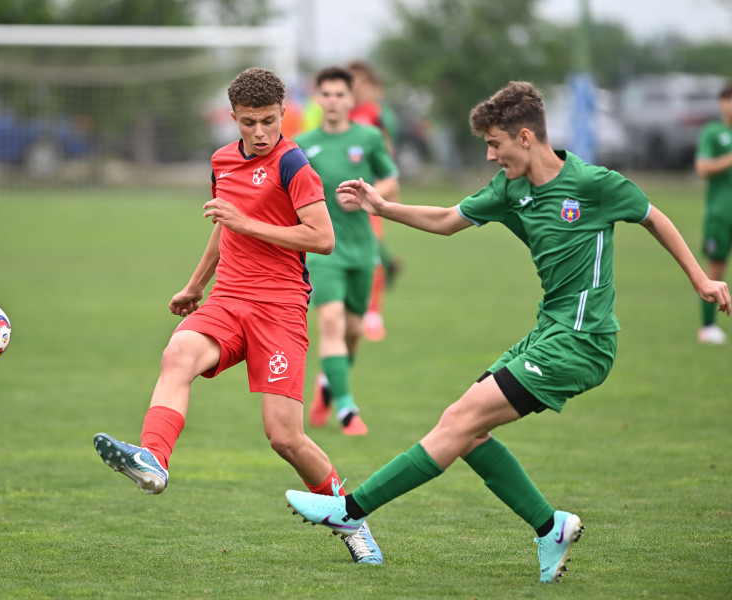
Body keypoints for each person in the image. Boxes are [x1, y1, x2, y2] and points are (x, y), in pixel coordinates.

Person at [285, 81, 731, 582]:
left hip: (583, 342)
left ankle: (351, 508)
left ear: (525, 136)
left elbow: (654, 218)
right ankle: (550, 526)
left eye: (495, 144)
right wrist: (382, 207)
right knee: (469, 433)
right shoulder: (510, 190)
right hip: (548, 332)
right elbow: (448, 219)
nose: (491, 156)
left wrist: (701, 279)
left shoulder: (595, 183)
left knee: (458, 420)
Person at [93, 67, 383, 565]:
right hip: (228, 297)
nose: (261, 132)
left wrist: (250, 223)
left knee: (284, 436)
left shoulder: (294, 165)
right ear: (234, 118)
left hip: (280, 308)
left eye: (269, 120)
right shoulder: (222, 160)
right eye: (249, 123)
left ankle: (351, 519)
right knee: (177, 353)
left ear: (283, 114)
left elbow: (322, 237)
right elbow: (222, 227)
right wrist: (195, 285)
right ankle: (153, 460)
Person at [295, 67, 400, 436]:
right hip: (323, 251)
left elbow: (392, 179)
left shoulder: (369, 137)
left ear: (352, 99)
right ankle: (346, 410)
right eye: (326, 94)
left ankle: (328, 384)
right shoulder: (303, 143)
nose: (333, 101)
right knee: (330, 323)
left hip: (362, 249)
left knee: (353, 329)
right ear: (318, 99)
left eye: (340, 94)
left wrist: (369, 195)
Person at [347, 59, 403, 342]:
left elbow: (387, 157)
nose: (353, 85)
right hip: (338, 197)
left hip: (368, 194)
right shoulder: (335, 113)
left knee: (372, 250)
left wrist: (387, 189)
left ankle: (373, 314)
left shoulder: (375, 114)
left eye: (357, 79)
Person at [695, 80, 732, 344]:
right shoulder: (713, 132)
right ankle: (707, 327)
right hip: (721, 214)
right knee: (715, 271)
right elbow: (703, 168)